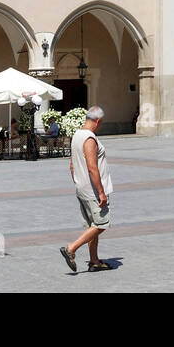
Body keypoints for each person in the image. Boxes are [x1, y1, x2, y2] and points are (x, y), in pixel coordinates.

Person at [61, 106, 112, 273]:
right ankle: (71, 248)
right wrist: (101, 192)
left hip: (82, 187)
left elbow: (71, 165)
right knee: (102, 224)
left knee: (92, 225)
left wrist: (78, 182)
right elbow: (92, 167)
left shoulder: (77, 135)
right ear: (98, 121)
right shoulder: (89, 138)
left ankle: (94, 261)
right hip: (93, 190)